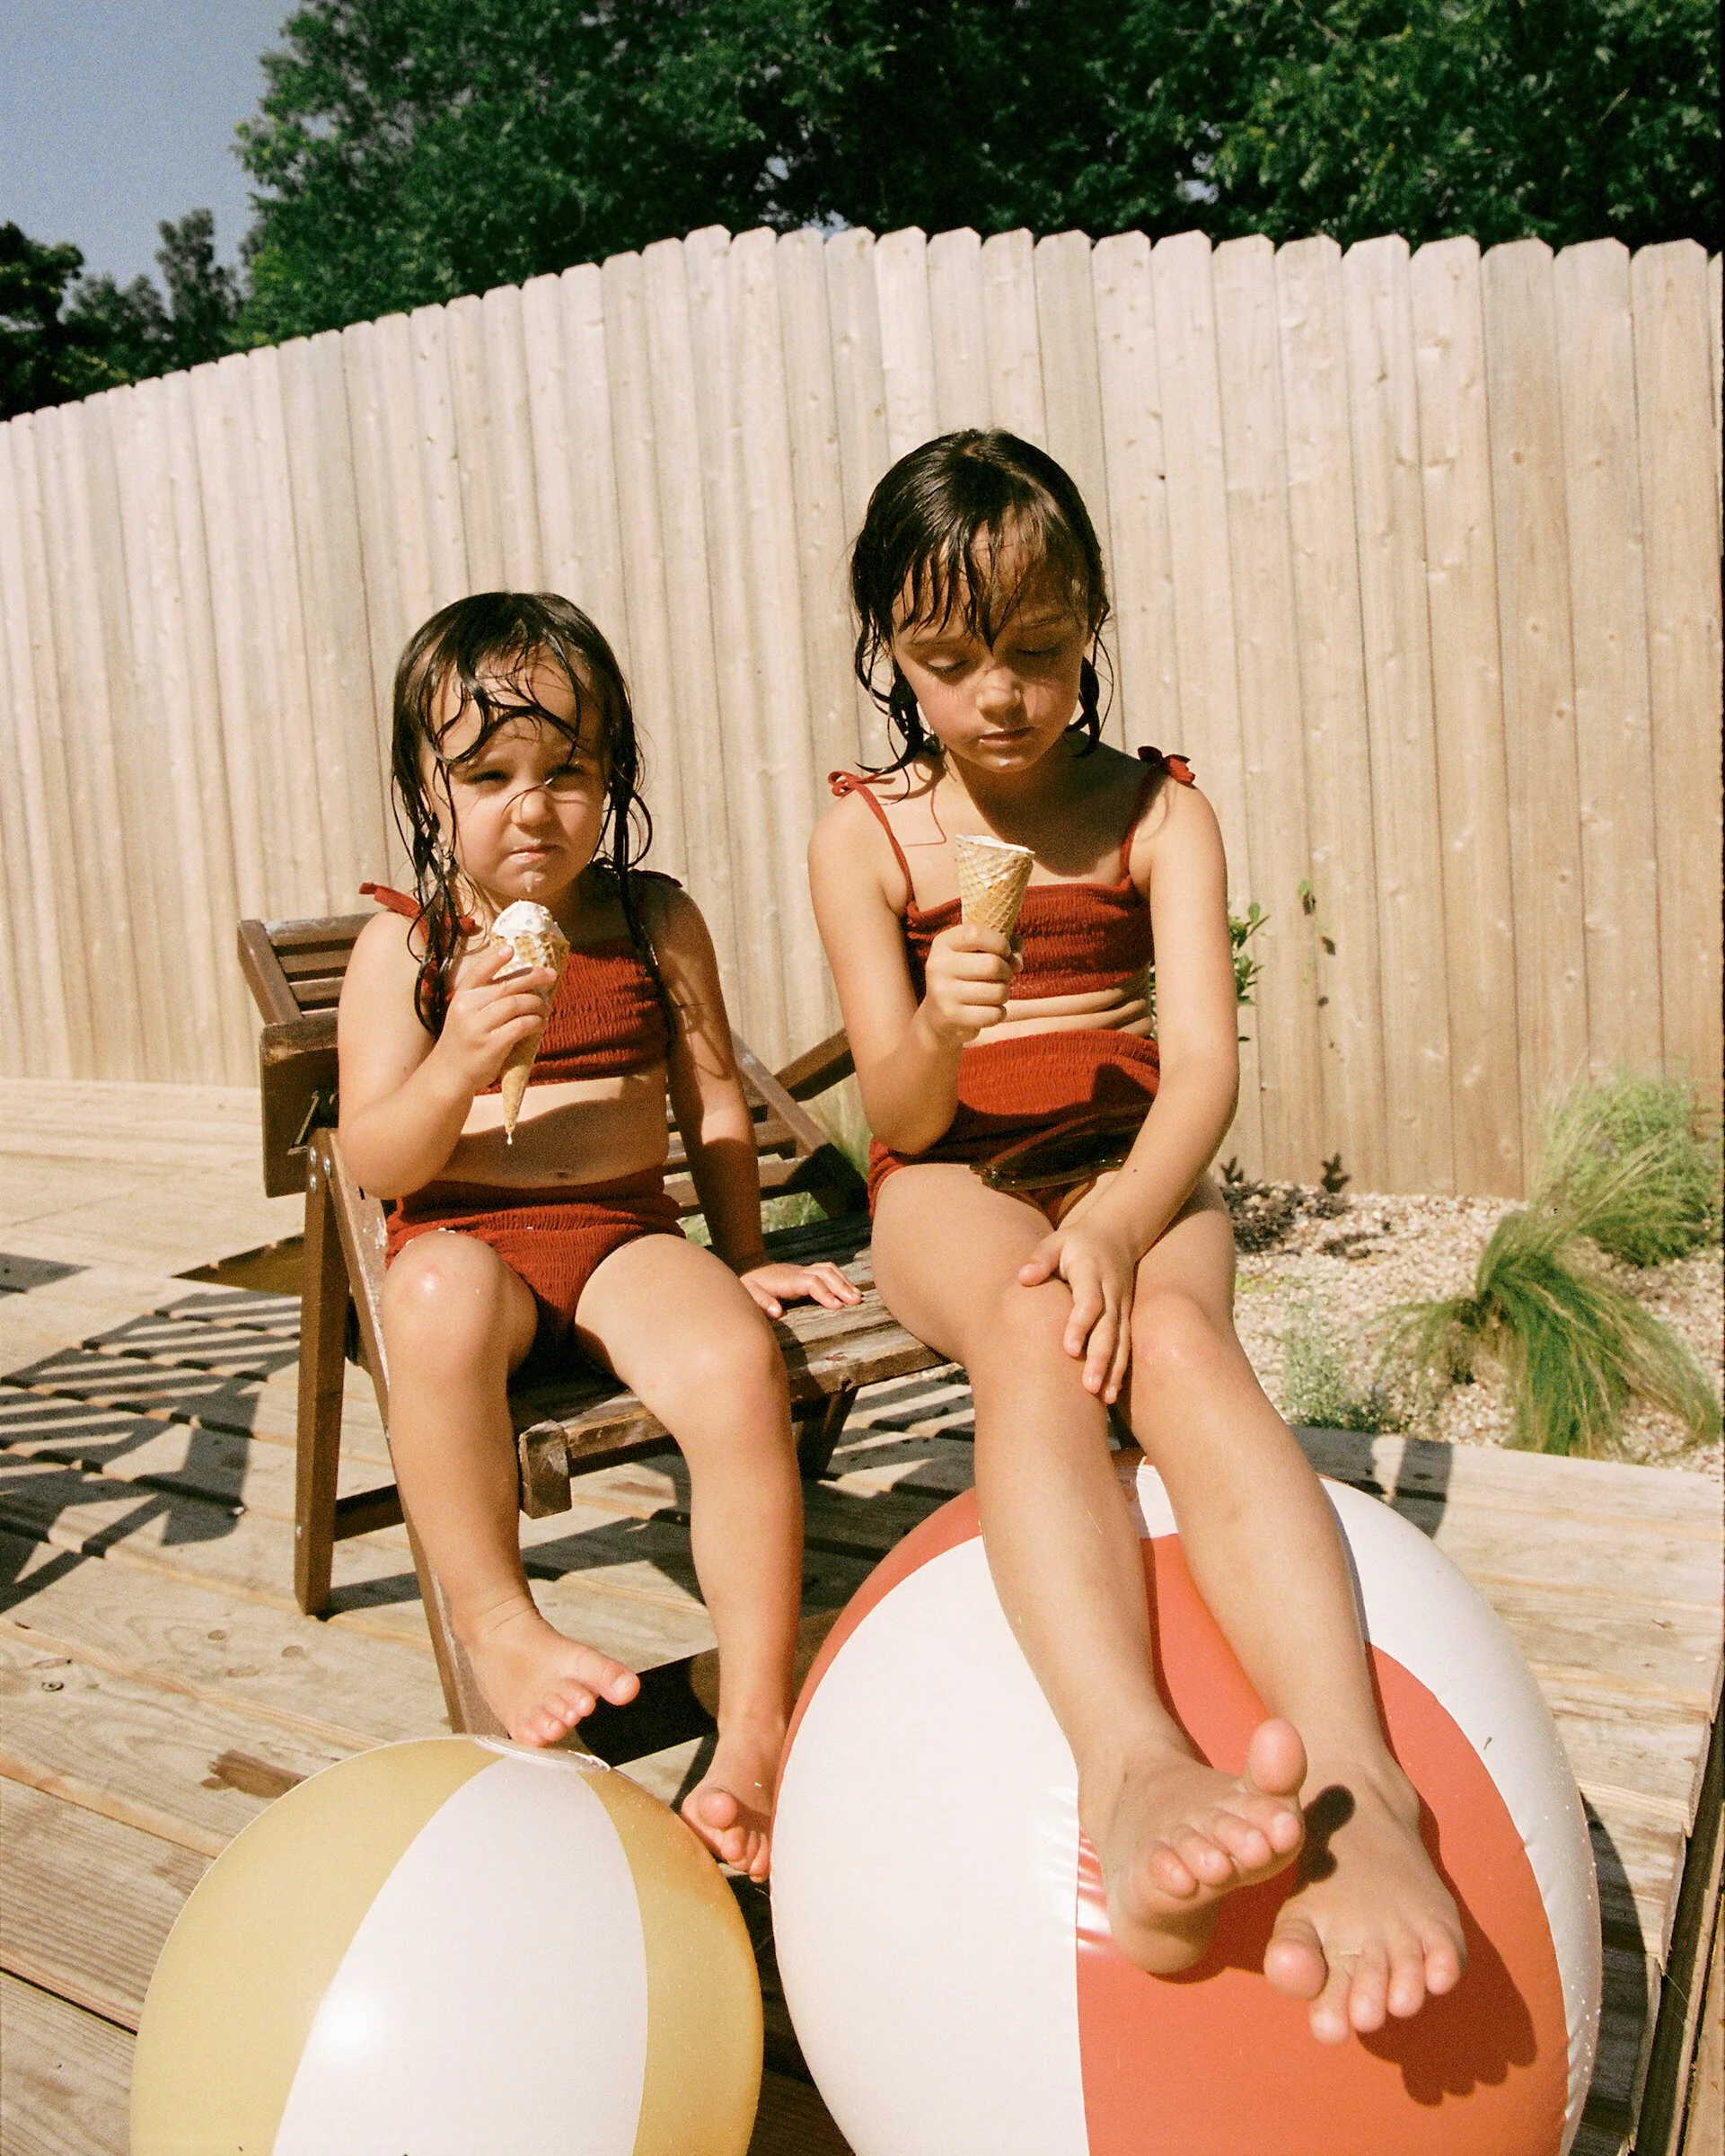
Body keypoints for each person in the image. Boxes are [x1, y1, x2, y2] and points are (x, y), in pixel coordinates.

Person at [807, 430, 1465, 2041]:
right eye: (951, 662)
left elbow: (1207, 1071)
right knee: (1034, 1330)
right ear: (892, 648)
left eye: (1034, 653)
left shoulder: (1158, 817)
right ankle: (1132, 1765)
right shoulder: (868, 838)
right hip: (947, 1177)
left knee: (1172, 1337)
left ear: (1092, 616)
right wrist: (940, 1026)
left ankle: (1364, 1782)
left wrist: (1116, 1219)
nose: (999, 698)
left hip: (1134, 1157)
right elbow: (891, 1110)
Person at [339, 591, 857, 1880]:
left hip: (624, 1235)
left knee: (737, 1364)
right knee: (432, 1302)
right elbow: (374, 1158)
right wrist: (458, 1055)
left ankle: (754, 1726)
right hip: (470, 1242)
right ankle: (500, 1621)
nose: (533, 805)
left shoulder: (651, 920)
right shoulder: (406, 945)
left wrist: (742, 1257)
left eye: (567, 769)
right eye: (490, 773)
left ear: (615, 769)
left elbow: (713, 1099)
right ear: (428, 787)